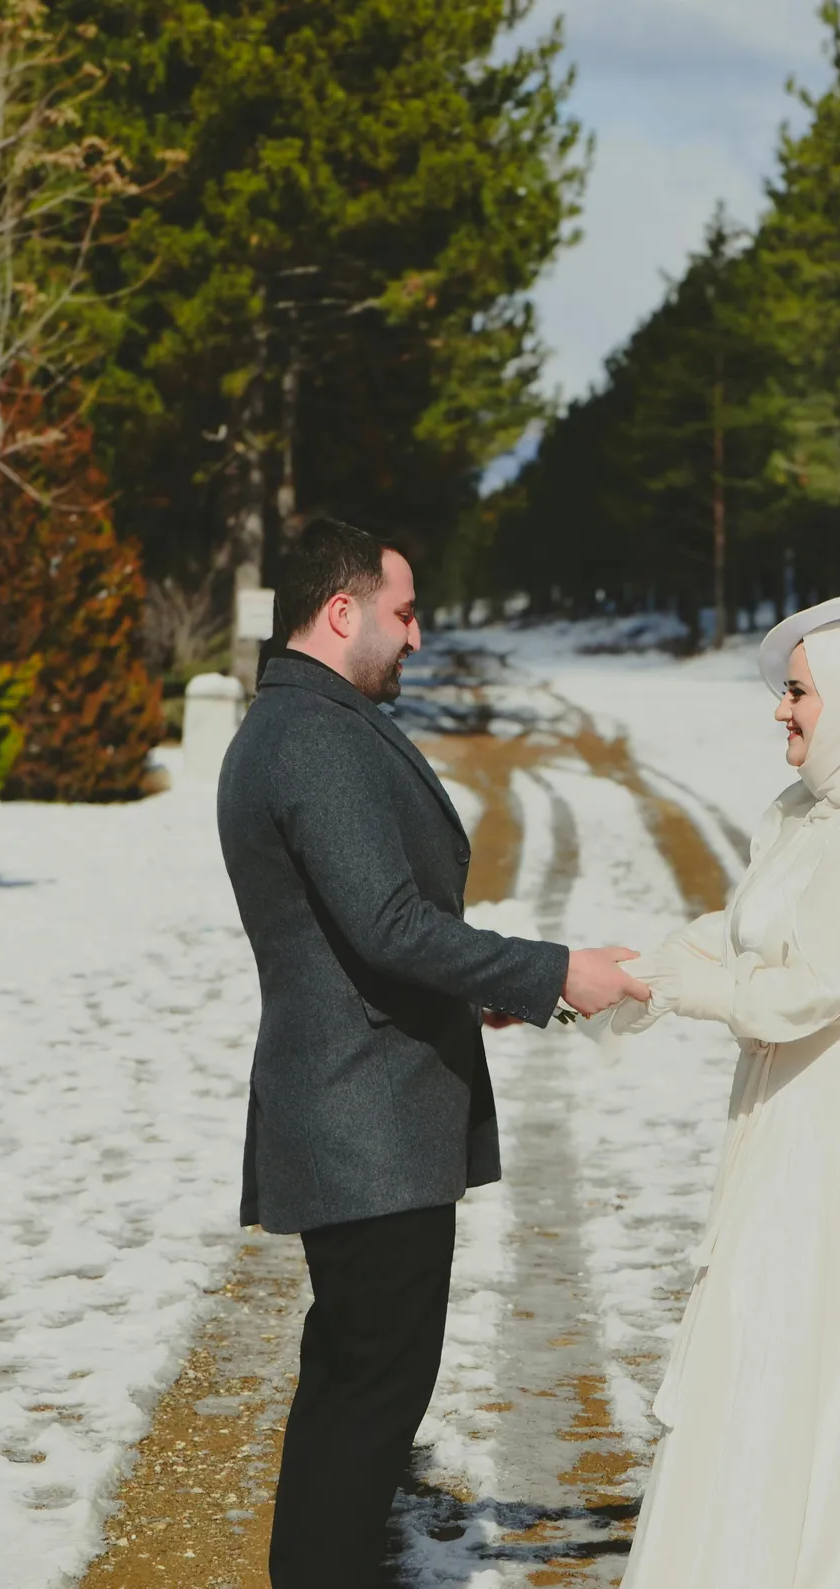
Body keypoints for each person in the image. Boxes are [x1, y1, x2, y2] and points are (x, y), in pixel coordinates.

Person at [215, 517, 649, 1589]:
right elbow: (389, 924)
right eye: (405, 613)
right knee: (367, 1390)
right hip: (363, 1117)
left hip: (369, 1104)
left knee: (362, 1381)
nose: (418, 636)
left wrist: (473, 998)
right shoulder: (310, 731)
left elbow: (366, 933)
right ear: (341, 609)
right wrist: (551, 973)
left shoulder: (308, 717)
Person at [601, 594, 840, 1586]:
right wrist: (622, 973)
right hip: (787, 1142)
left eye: (800, 692)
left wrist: (676, 986)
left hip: (834, 1169)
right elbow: (739, 934)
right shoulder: (817, 821)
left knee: (790, 1358)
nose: (783, 710)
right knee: (764, 1356)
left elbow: (795, 993)